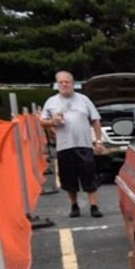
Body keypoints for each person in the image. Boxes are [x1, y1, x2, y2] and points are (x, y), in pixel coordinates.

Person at [40, 70, 104, 218]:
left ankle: (93, 206)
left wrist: (98, 141)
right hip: (64, 145)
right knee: (69, 178)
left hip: (84, 144)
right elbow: (42, 121)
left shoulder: (83, 99)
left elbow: (95, 120)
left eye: (67, 82)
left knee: (89, 176)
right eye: (61, 82)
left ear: (72, 84)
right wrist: (52, 122)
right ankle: (74, 205)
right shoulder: (51, 102)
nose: (64, 85)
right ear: (57, 84)